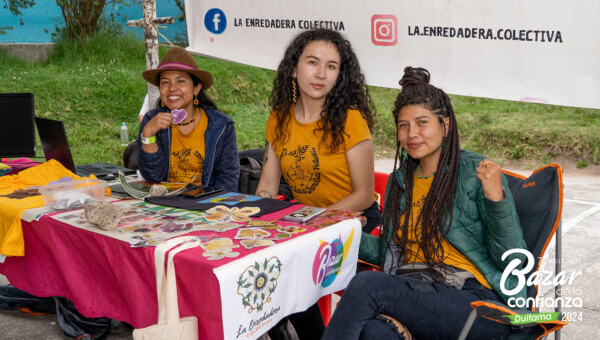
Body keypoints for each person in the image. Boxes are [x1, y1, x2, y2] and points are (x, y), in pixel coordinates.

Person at [322, 67, 527, 340]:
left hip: (474, 301)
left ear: (446, 125)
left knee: (367, 285)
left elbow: (512, 258)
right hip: (414, 291)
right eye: (403, 125)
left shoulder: (474, 172)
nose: (411, 134)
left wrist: (496, 199)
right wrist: (344, 231)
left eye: (422, 122)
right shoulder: (401, 181)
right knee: (374, 333)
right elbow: (389, 253)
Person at [255, 28, 380, 340]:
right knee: (259, 264)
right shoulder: (278, 117)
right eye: (312, 62)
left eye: (332, 66)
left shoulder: (350, 119)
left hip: (353, 219)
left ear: (340, 75)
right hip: (303, 221)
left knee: (292, 271)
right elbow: (268, 187)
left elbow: (364, 194)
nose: (321, 73)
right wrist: (254, 220)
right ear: (294, 68)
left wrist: (311, 222)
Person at [137, 46, 240, 191]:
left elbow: (228, 181)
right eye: (165, 82)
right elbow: (152, 177)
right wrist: (148, 135)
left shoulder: (221, 125)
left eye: (180, 81)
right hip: (166, 203)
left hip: (206, 204)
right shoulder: (152, 121)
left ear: (196, 88)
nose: (172, 88)